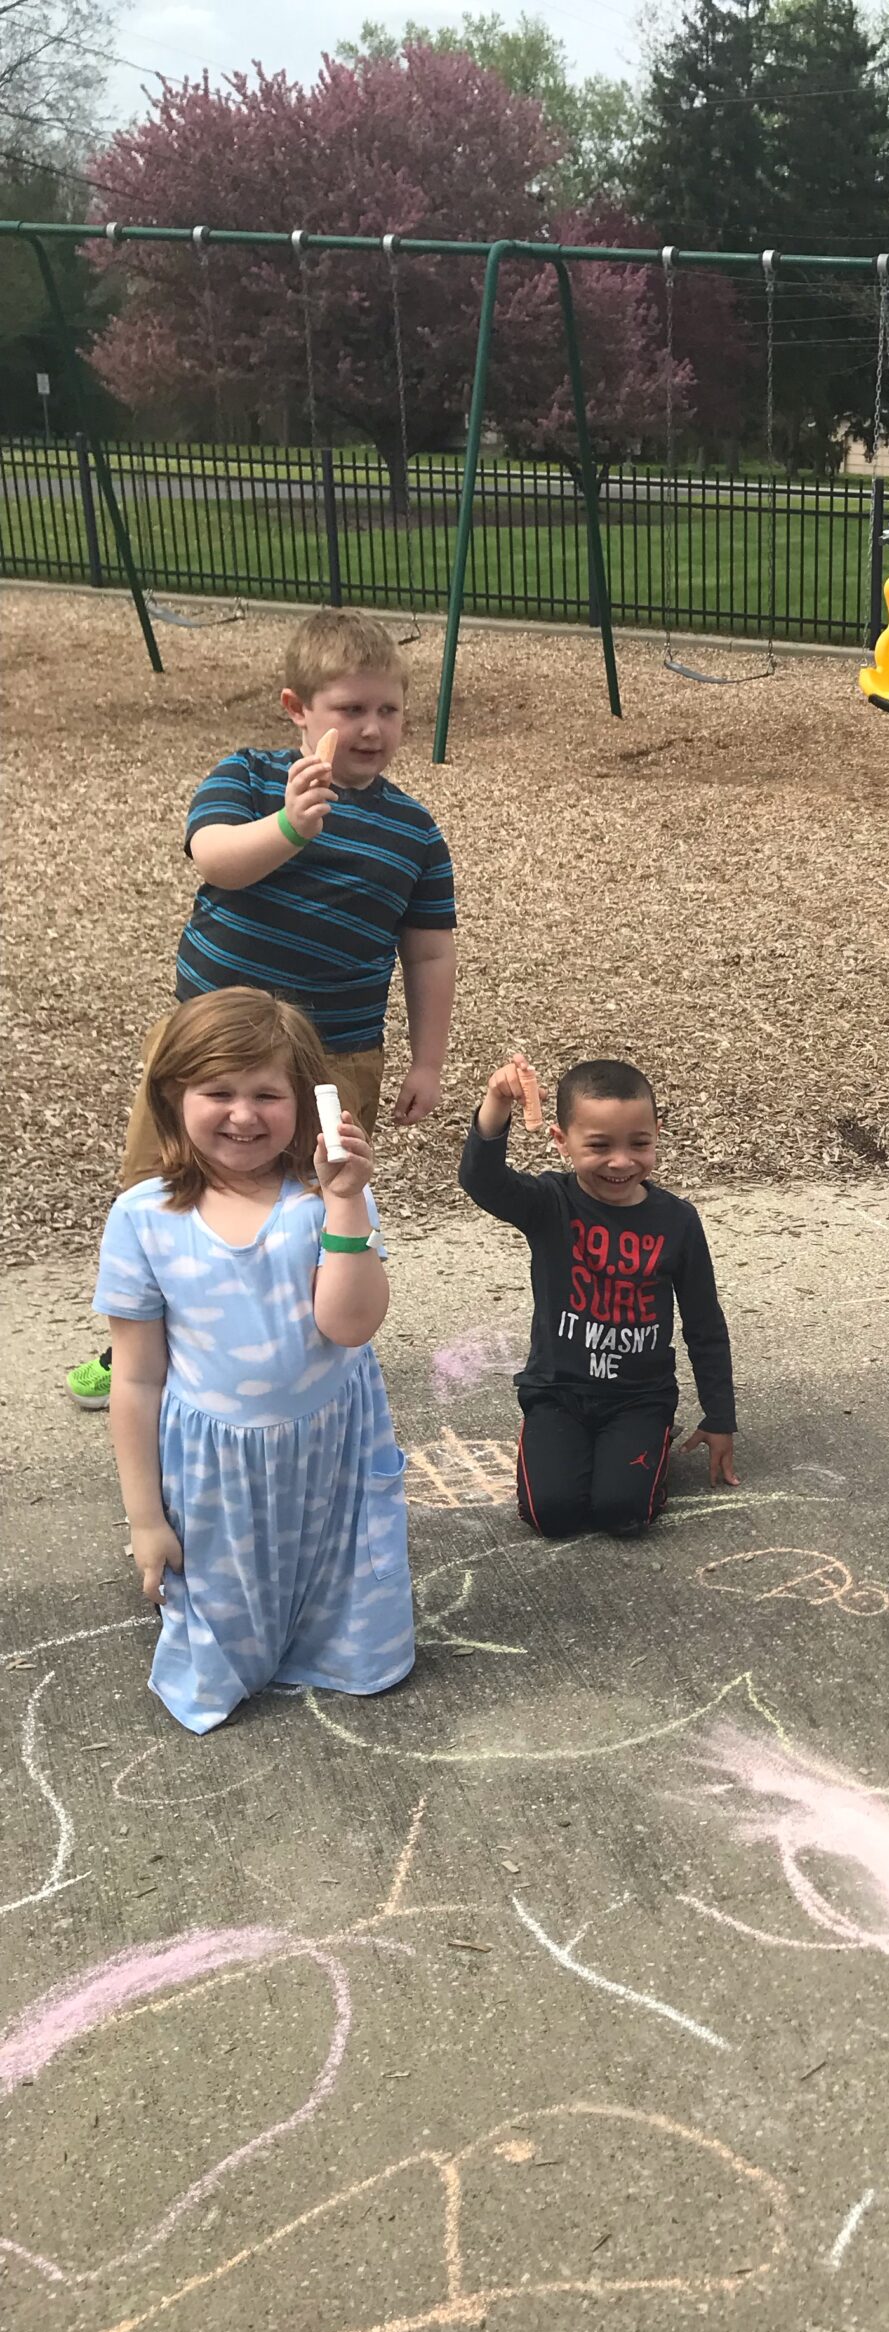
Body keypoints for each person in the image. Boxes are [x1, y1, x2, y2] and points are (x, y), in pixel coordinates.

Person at [67, 608, 457, 1407]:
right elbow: (217, 859)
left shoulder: (414, 831)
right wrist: (288, 824)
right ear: (298, 709)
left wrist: (426, 1060)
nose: (373, 728)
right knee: (166, 1182)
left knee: (317, 1191)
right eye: (350, 709)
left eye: (389, 709)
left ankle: (303, 1330)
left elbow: (428, 951)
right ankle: (140, 1337)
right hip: (205, 1048)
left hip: (335, 1050)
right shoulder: (246, 778)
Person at [92, 988, 415, 1736]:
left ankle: (332, 1650)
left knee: (343, 1606)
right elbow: (137, 1379)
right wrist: (146, 1519)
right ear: (174, 1096)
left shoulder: (322, 1201)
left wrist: (345, 1203)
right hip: (215, 1468)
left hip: (333, 1449)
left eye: (267, 1093)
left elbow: (351, 1323)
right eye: (219, 1092)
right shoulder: (144, 1218)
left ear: (307, 1103)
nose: (243, 1114)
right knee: (225, 1634)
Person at [459, 1053, 738, 1538]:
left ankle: (648, 1445)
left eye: (639, 1143)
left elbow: (704, 1323)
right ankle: (556, 1446)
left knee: (623, 1514)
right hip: (558, 1391)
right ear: (561, 1142)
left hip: (639, 1397)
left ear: (657, 1134)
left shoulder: (677, 1221)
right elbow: (482, 1181)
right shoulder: (550, 1203)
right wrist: (495, 1104)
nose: (621, 1161)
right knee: (552, 1514)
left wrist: (720, 1416)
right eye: (599, 1145)